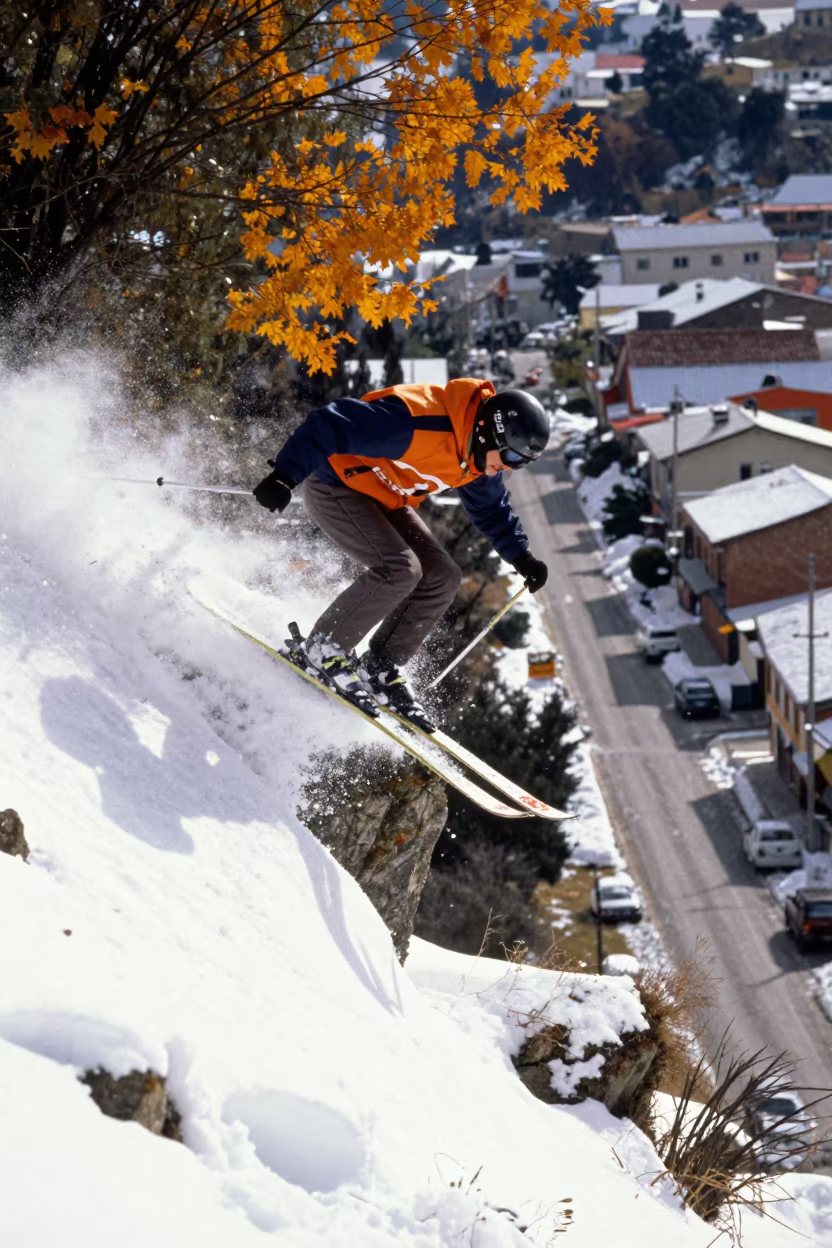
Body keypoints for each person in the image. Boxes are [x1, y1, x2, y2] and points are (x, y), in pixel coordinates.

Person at [252, 378, 550, 730]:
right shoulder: (420, 423)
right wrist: (286, 475)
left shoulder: (474, 457)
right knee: (401, 568)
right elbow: (333, 421)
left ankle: (380, 666)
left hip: (382, 499)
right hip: (336, 486)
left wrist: (521, 557)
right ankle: (325, 647)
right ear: (490, 432)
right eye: (512, 455)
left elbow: (491, 510)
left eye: (523, 462)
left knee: (442, 575)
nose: (511, 467)